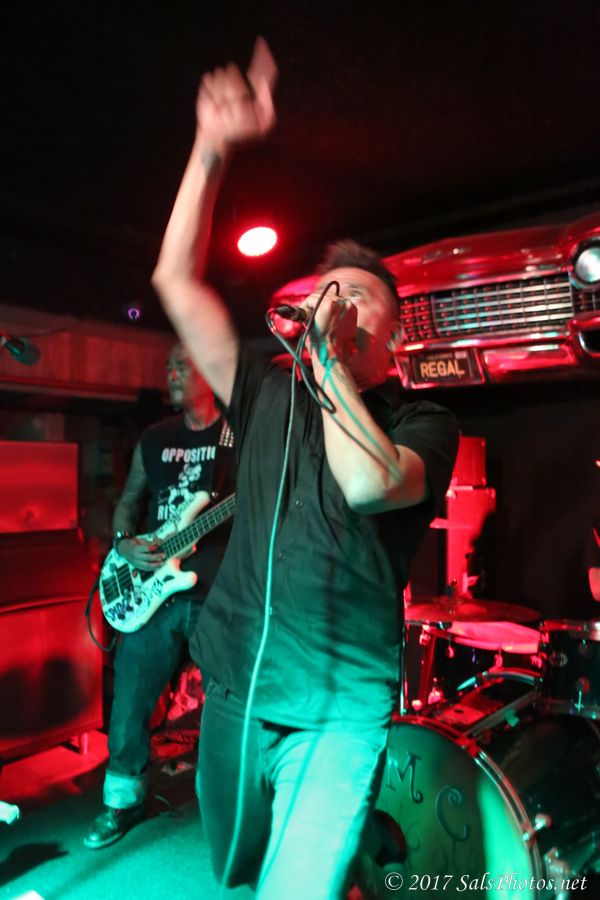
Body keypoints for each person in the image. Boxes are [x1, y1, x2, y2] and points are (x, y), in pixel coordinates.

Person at [151, 39, 459, 899]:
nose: (336, 301)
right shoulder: (265, 386)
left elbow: (368, 483)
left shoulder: (424, 420)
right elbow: (174, 281)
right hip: (235, 690)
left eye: (358, 296)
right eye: (329, 290)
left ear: (394, 334)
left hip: (337, 714)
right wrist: (210, 147)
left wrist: (322, 357)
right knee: (238, 869)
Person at [84, 344, 235, 850]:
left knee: (227, 702)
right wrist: (124, 543)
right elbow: (129, 501)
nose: (170, 373)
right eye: (167, 365)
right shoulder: (155, 438)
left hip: (216, 591)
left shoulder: (236, 436)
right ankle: (121, 800)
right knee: (131, 696)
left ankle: (225, 803)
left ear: (207, 372)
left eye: (181, 365)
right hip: (152, 589)